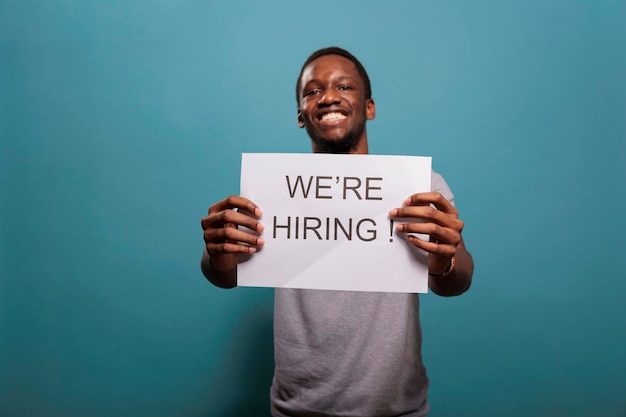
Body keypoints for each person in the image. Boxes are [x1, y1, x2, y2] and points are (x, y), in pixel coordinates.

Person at [200, 46, 474, 417]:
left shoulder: (420, 187)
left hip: (397, 408)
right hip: (295, 408)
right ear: (300, 114)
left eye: (344, 87)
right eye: (312, 91)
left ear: (369, 107)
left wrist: (446, 257)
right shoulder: (272, 190)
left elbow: (455, 282)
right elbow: (225, 275)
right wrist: (216, 255)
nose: (328, 96)